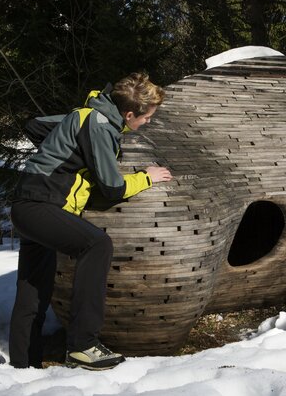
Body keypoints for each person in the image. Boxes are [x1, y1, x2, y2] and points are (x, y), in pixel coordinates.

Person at [9, 72, 173, 370]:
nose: (148, 122)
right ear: (129, 114)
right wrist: (147, 177)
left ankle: (22, 368)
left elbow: (35, 125)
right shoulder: (98, 124)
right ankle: (83, 344)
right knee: (97, 245)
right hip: (42, 207)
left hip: (28, 207)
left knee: (33, 293)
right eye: (147, 117)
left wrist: (64, 152)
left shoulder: (86, 114)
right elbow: (112, 188)